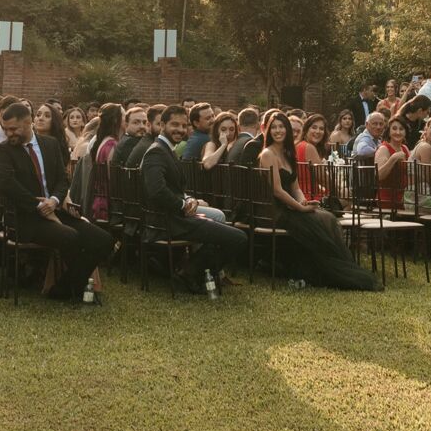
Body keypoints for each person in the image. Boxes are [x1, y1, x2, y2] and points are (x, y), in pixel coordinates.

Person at [0, 101, 114, 304]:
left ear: (28, 122)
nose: (8, 133)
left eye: (13, 129)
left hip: (56, 210)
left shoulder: (50, 144)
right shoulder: (4, 150)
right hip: (26, 217)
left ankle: (64, 288)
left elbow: (62, 179)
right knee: (70, 237)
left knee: (103, 240)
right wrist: (36, 204)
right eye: (5, 129)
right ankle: (75, 289)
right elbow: (6, 185)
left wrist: (54, 200)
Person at [257, 111, 378, 290]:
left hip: (293, 206)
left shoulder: (288, 153)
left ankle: (345, 267)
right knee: (318, 221)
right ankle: (329, 271)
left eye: (281, 127)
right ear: (268, 130)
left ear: (287, 130)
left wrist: (305, 201)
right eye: (273, 127)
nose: (278, 131)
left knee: (328, 218)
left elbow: (295, 187)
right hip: (276, 210)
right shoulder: (267, 154)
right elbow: (277, 190)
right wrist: (300, 208)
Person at [142, 104, 248, 294]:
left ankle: (193, 272)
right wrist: (183, 205)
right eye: (175, 125)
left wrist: (190, 199)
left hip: (179, 216)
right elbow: (156, 190)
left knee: (230, 232)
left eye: (183, 126)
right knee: (238, 238)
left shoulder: (168, 150)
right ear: (163, 124)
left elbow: (175, 187)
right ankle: (192, 273)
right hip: (169, 221)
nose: (180, 130)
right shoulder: (156, 151)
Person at [374, 116, 411, 210]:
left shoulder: (405, 148)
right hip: (387, 200)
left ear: (405, 132)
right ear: (389, 132)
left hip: (405, 198)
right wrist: (393, 158)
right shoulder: (384, 149)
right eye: (394, 129)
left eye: (401, 129)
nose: (398, 132)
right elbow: (378, 175)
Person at [296, 113, 331, 201]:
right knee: (347, 199)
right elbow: (324, 179)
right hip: (310, 197)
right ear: (306, 129)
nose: (318, 131)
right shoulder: (309, 147)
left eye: (321, 129)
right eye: (314, 127)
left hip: (304, 195)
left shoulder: (299, 145)